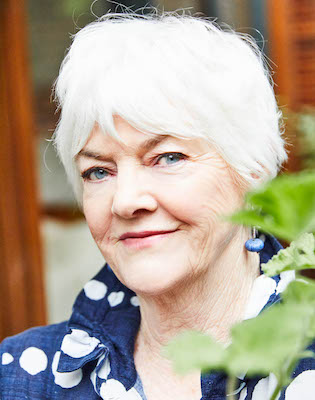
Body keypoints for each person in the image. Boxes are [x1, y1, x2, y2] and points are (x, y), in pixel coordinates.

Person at [1, 9, 314, 400]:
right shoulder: (20, 378)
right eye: (99, 171)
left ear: (250, 172)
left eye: (168, 158)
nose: (126, 201)